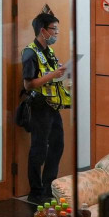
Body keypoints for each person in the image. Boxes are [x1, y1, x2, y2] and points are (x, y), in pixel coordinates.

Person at [21, 12, 70, 206]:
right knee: (38, 149)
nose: (57, 33)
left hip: (53, 106)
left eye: (57, 29)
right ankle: (35, 192)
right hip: (39, 107)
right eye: (54, 29)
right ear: (43, 31)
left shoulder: (48, 51)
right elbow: (28, 84)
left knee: (57, 145)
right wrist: (53, 74)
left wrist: (61, 71)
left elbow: (51, 73)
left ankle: (49, 187)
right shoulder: (30, 52)